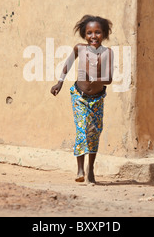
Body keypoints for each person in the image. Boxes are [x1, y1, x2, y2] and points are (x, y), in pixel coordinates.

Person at [50, 15, 114, 183]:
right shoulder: (79, 49)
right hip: (79, 96)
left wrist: (95, 79)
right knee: (81, 130)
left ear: (104, 34)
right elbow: (68, 64)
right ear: (84, 35)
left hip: (97, 99)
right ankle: (80, 170)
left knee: (94, 132)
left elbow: (109, 79)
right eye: (89, 33)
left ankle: (90, 169)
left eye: (98, 32)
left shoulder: (108, 53)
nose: (93, 36)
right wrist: (59, 82)